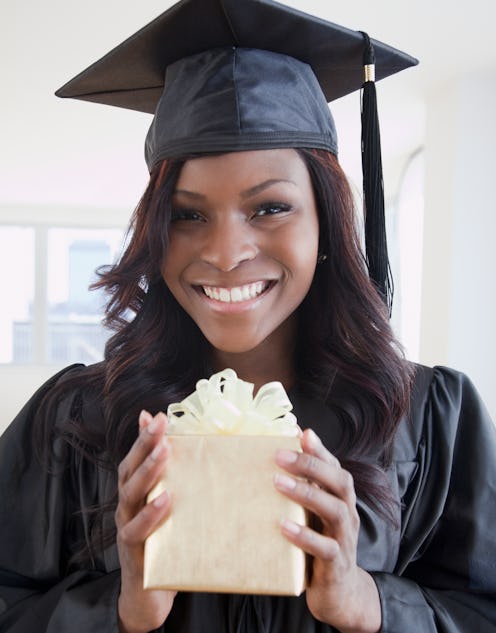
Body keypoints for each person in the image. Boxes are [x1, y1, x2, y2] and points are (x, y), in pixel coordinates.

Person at [1, 0, 495, 631]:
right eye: (188, 214)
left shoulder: (427, 421)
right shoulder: (73, 424)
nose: (227, 253)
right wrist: (118, 611)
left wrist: (368, 603)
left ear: (327, 222)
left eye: (269, 209)